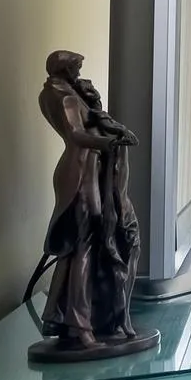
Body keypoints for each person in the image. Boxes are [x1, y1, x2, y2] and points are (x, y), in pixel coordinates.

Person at [34, 50, 141, 350]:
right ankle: (80, 327)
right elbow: (76, 135)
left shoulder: (59, 93)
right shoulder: (64, 97)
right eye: (77, 68)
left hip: (84, 171)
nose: (80, 74)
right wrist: (110, 142)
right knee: (84, 245)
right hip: (80, 173)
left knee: (74, 248)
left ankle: (56, 316)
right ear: (66, 69)